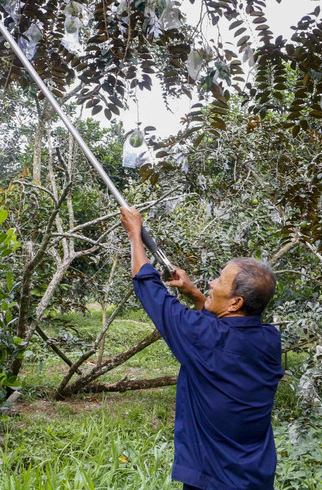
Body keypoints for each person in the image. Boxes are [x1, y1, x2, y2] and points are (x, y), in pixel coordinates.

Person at [120, 207, 283, 490]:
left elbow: (149, 288)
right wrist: (195, 294)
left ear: (235, 303)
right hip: (255, 476)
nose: (211, 283)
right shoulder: (270, 340)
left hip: (212, 478)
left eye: (220, 281)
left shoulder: (201, 337)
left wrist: (135, 234)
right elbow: (224, 334)